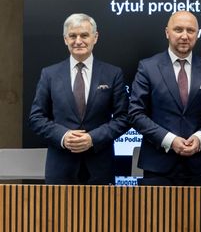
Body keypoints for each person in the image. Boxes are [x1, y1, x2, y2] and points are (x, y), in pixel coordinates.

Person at [29, 13, 129, 185]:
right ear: (65, 39)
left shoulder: (113, 74)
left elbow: (124, 117)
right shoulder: (49, 74)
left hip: (100, 168)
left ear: (95, 37)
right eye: (72, 36)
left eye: (84, 35)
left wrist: (93, 138)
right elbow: (36, 118)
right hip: (60, 169)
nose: (78, 41)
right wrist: (63, 136)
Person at [129, 11, 201, 185]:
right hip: (157, 166)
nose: (184, 36)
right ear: (167, 32)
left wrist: (200, 138)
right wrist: (170, 140)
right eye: (178, 29)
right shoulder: (148, 67)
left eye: (190, 30)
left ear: (197, 34)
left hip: (197, 166)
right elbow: (135, 114)